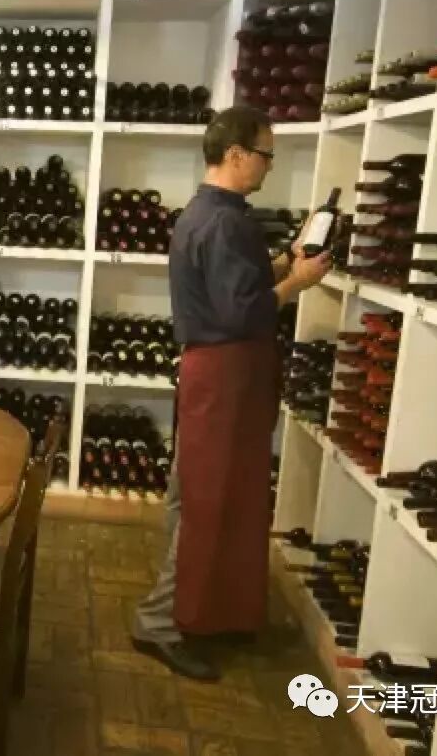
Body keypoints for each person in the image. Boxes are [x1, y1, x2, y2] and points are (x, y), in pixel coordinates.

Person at [130, 106, 331, 681]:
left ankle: (206, 610)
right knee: (206, 503)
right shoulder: (223, 222)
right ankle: (159, 622)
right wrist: (298, 282)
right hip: (224, 376)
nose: (270, 165)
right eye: (266, 154)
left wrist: (283, 261)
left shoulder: (209, 214)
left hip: (214, 374)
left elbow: (235, 285)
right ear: (237, 154)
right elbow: (241, 311)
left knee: (197, 496)